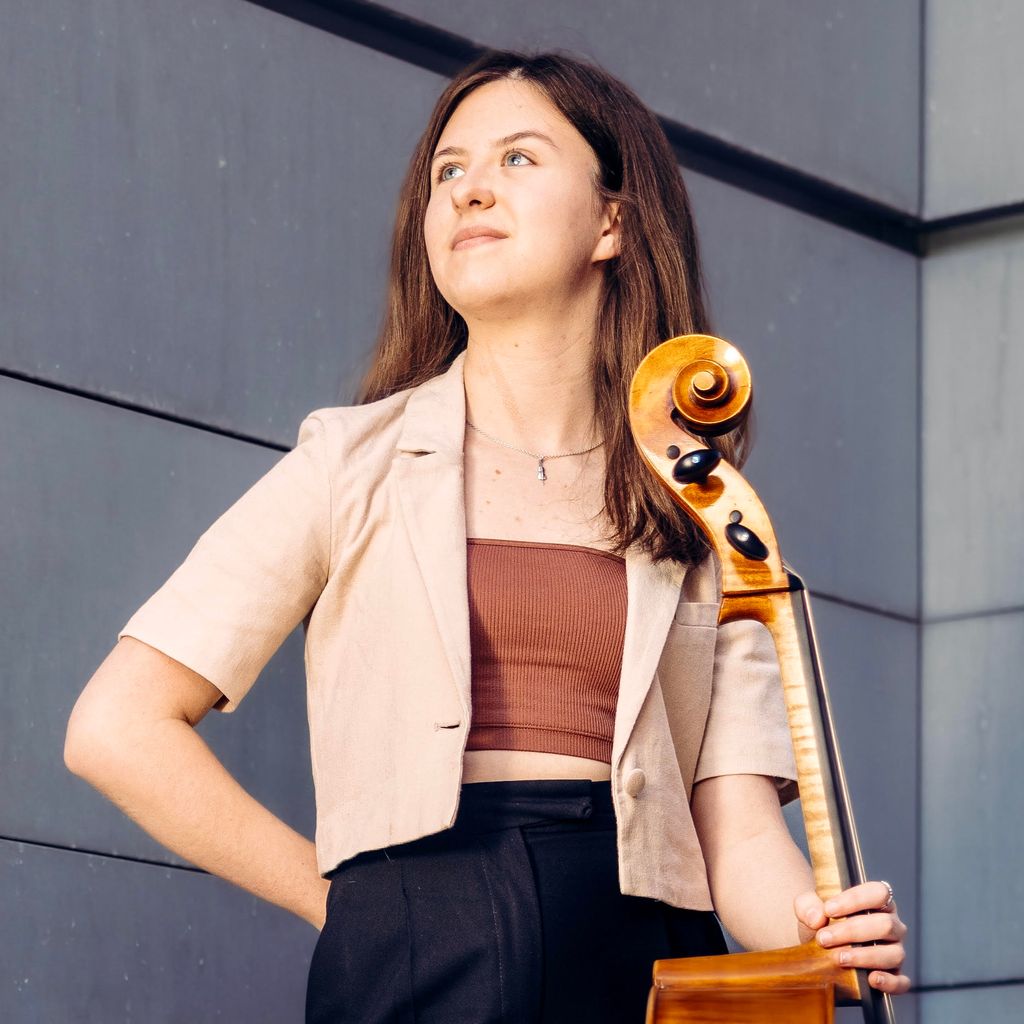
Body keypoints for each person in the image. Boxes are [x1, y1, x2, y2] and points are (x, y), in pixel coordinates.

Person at [64, 49, 909, 1023]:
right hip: (423, 933)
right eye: (446, 172)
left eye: (517, 159)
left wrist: (818, 932)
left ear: (612, 221)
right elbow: (115, 727)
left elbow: (734, 834)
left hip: (647, 950)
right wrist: (344, 904)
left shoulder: (697, 505)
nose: (468, 192)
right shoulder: (350, 461)